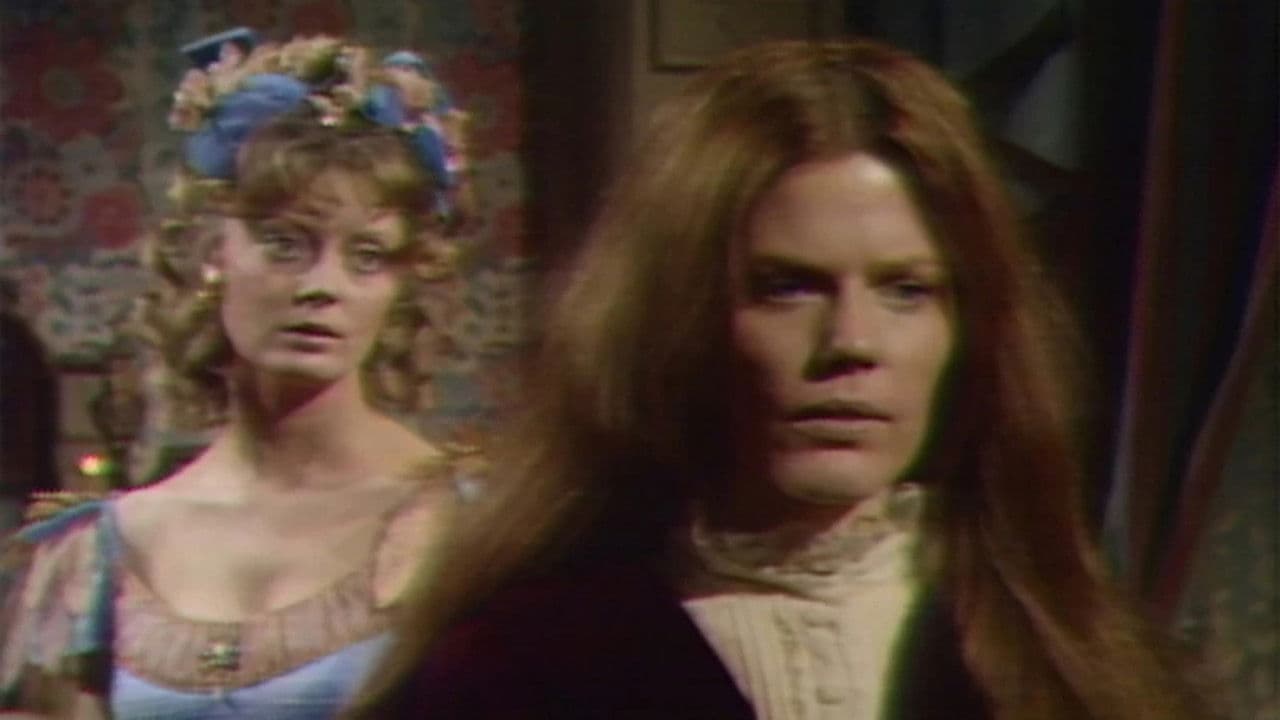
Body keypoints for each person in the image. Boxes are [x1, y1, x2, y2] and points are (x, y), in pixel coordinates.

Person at [351, 39, 1209, 720]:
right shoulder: (519, 665)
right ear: (681, 319)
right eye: (787, 287)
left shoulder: (1074, 657)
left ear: (970, 327)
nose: (851, 343)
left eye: (907, 291)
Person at [0, 28, 480, 718]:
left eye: (367, 256)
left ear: (401, 283)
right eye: (285, 244)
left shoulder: (469, 529)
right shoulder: (108, 551)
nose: (323, 286)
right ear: (213, 253)